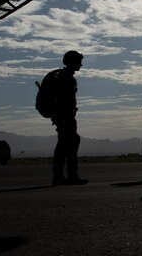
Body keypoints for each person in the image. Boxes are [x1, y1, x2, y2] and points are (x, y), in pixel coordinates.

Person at [48, 50, 88, 185]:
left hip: (63, 116)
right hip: (65, 116)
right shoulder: (66, 78)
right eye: (79, 62)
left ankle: (60, 175)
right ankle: (69, 175)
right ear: (72, 62)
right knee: (69, 144)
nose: (80, 65)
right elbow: (65, 100)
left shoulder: (64, 77)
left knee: (65, 144)